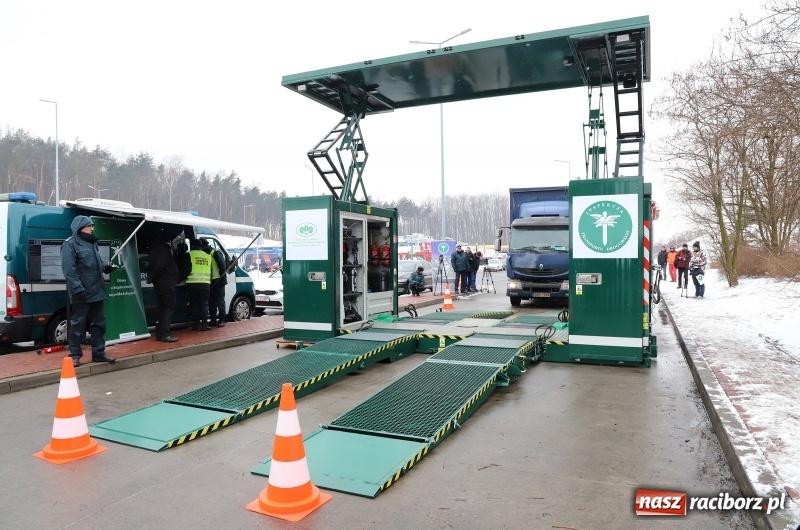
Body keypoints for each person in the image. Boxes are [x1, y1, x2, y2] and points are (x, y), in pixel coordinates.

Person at [60, 215, 116, 367]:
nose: (92, 228)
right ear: (80, 228)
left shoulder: (92, 244)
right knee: (78, 325)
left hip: (97, 291)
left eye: (92, 226)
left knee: (99, 324)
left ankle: (98, 352)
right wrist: (78, 289)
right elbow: (69, 270)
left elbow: (96, 264)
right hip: (82, 293)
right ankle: (75, 355)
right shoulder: (70, 245)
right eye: (89, 225)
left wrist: (106, 267)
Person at [147, 232, 179, 342]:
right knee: (169, 308)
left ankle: (159, 334)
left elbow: (153, 266)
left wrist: (152, 277)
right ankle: (166, 334)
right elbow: (162, 265)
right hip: (167, 283)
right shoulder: (164, 250)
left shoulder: (152, 250)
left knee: (161, 308)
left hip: (159, 284)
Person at [186, 238, 212, 331]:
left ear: (192, 246)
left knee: (195, 304)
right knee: (204, 303)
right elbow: (211, 271)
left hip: (192, 284)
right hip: (205, 284)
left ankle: (196, 324)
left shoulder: (189, 254)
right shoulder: (207, 256)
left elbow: (187, 269)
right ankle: (204, 324)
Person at [203, 239, 228, 328]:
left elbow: (223, 267)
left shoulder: (215, 253)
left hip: (218, 281)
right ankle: (213, 319)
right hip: (210, 282)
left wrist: (223, 280)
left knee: (219, 301)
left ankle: (222, 319)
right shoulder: (205, 254)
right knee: (211, 301)